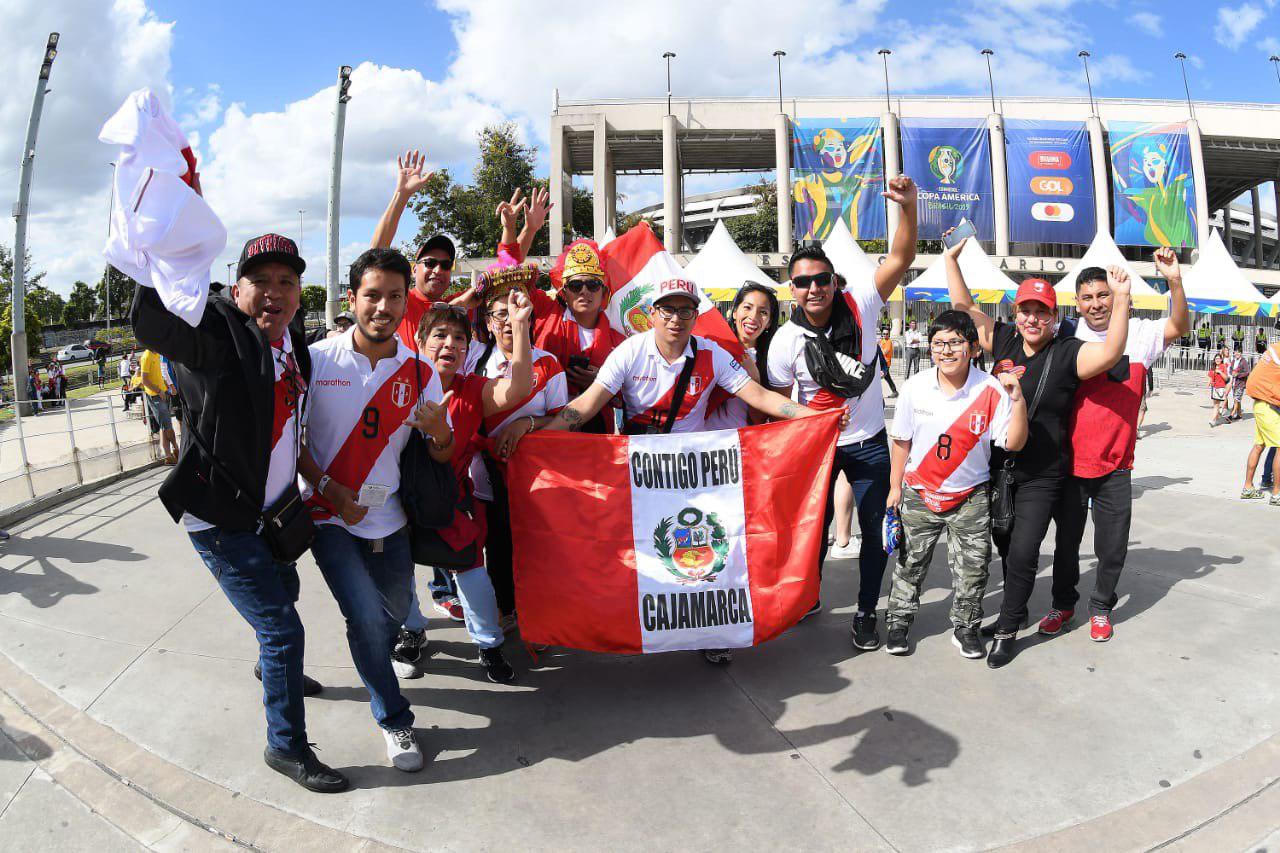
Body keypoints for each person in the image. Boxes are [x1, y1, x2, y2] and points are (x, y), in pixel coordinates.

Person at [132, 232, 347, 793]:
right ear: (236, 288)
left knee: (286, 594)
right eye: (260, 281)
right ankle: (286, 746)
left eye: (286, 281)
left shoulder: (293, 342)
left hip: (274, 509)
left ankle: (272, 670)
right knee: (282, 629)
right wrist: (168, 245)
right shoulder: (220, 335)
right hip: (224, 519)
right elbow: (157, 324)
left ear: (300, 291)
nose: (274, 292)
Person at [543, 276, 836, 665]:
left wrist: (817, 417)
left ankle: (711, 633)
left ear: (696, 316)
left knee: (703, 552)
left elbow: (759, 396)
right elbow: (585, 407)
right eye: (667, 309)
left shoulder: (712, 354)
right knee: (634, 552)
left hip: (692, 474)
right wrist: (540, 437)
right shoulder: (630, 352)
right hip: (638, 471)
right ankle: (630, 622)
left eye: (685, 310)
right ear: (652, 314)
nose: (676, 318)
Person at [294, 248, 454, 773]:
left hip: (392, 521)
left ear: (406, 300)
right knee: (363, 615)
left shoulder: (420, 369)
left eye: (393, 296)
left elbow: (442, 451)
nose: (382, 307)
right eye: (371, 295)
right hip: (328, 516)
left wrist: (439, 432)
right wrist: (329, 488)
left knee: (387, 618)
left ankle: (376, 664)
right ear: (351, 299)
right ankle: (394, 719)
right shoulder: (316, 359)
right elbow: (291, 444)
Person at [944, 235, 1130, 669]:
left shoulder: (1068, 353)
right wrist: (953, 259)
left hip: (1044, 472)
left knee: (1026, 549)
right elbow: (962, 308)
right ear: (1015, 312)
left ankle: (1008, 629)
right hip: (999, 468)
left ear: (1054, 317)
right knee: (1007, 546)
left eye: (1041, 311)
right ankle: (1017, 607)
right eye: (1025, 309)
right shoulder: (1005, 340)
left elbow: (1111, 352)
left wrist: (1120, 299)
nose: (1032, 318)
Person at [765, 175, 919, 650]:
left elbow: (901, 258)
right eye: (802, 282)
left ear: (835, 281)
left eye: (821, 279)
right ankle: (807, 595)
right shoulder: (785, 341)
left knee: (873, 534)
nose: (814, 289)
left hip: (869, 443)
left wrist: (908, 208)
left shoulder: (863, 304)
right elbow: (777, 402)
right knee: (810, 531)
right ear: (792, 290)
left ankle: (868, 611)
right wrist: (809, 421)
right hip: (814, 448)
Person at [1045, 249, 1189, 644]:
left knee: (1112, 548)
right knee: (1066, 545)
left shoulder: (1140, 334)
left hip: (1116, 467)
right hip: (1070, 465)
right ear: (1078, 302)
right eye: (1087, 298)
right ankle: (1063, 604)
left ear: (1115, 296)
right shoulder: (1066, 337)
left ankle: (1101, 607)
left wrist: (1173, 279)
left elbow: (1179, 325)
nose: (1096, 304)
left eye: (1103, 295)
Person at [394, 295, 535, 683]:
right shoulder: (397, 383)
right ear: (420, 342)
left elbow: (520, 385)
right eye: (440, 335)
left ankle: (489, 646)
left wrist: (519, 326)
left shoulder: (473, 389)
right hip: (397, 502)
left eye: (459, 338)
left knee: (473, 575)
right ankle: (412, 631)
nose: (450, 345)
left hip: (452, 503)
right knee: (397, 571)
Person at [884, 310, 1028, 658]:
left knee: (974, 568)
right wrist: (894, 488)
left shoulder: (991, 389)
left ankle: (966, 627)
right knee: (909, 564)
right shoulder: (916, 387)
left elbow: (1014, 442)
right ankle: (899, 622)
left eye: (954, 343)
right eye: (937, 344)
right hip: (920, 493)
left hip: (971, 498)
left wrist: (1018, 400)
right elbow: (901, 441)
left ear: (973, 348)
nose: (945, 351)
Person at [463, 268, 569, 629]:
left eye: (517, 311)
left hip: (537, 482)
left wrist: (528, 425)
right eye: (499, 314)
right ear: (488, 322)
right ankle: (504, 610)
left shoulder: (549, 364)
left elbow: (565, 420)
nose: (508, 322)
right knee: (496, 547)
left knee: (537, 549)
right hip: (483, 478)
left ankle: (537, 615)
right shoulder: (473, 361)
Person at [371, 150, 472, 350]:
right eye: (430, 263)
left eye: (445, 265)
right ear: (414, 269)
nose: (437, 270)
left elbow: (503, 275)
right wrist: (402, 195)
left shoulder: (453, 307)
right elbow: (375, 256)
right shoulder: (399, 300)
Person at [705, 282, 781, 431]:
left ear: (769, 323)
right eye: (747, 307)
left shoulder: (772, 360)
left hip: (743, 444)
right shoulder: (712, 349)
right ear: (734, 312)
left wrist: (754, 378)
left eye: (763, 312)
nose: (753, 317)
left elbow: (759, 419)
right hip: (707, 442)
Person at [1240, 336, 1280, 504]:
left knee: (1259, 445)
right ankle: (1277, 494)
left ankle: (1248, 488)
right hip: (1269, 405)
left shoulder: (1273, 348)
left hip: (1260, 404)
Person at [137, 348, 179, 464]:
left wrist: (167, 387)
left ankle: (168, 456)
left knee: (164, 426)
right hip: (156, 395)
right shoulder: (146, 356)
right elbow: (144, 380)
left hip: (163, 393)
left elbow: (161, 373)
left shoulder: (157, 354)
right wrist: (159, 391)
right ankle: (176, 449)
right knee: (167, 425)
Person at [1229, 347, 1249, 421]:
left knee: (1236, 399)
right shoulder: (1234, 361)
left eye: (1238, 352)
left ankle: (1231, 415)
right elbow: (1230, 369)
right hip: (1234, 383)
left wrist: (1238, 374)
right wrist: (1232, 373)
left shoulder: (1244, 361)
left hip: (1240, 383)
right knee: (1237, 399)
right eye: (1235, 352)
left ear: (1241, 353)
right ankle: (1239, 415)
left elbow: (1247, 372)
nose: (1237, 353)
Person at [1208, 354, 1229, 427]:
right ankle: (1215, 418)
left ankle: (1214, 420)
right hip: (1214, 388)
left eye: (1219, 358)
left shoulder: (1223, 366)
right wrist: (1209, 383)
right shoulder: (1213, 367)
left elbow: (1226, 378)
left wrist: (1220, 372)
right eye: (1216, 358)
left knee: (1217, 405)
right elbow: (1210, 377)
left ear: (1221, 360)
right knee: (1215, 405)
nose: (1217, 360)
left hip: (1221, 388)